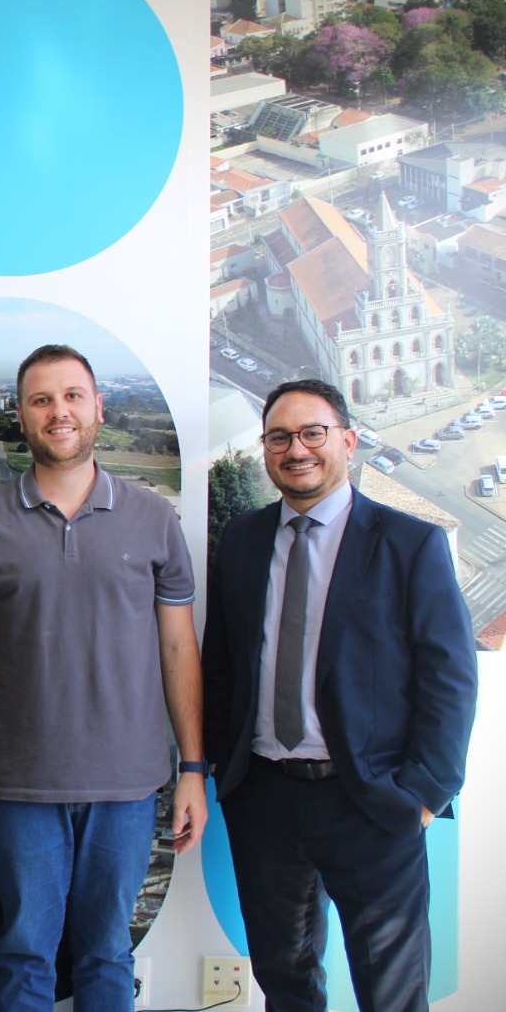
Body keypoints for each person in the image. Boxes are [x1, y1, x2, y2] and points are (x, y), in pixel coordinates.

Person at [0, 344, 206, 1012]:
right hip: (18, 782)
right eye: (41, 399)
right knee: (24, 953)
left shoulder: (154, 518)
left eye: (72, 396)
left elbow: (179, 648)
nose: (58, 411)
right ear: (21, 416)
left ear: (98, 409)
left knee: (107, 954)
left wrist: (192, 768)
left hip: (127, 784)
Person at [203, 379, 477, 1012]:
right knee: (285, 980)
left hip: (371, 801)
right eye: (279, 437)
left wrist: (424, 794)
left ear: (348, 442)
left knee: (391, 990)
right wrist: (225, 765)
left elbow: (450, 678)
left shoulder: (411, 545)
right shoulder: (242, 541)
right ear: (266, 449)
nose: (295, 449)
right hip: (264, 799)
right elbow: (222, 662)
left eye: (312, 433)